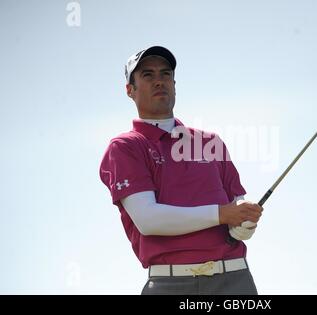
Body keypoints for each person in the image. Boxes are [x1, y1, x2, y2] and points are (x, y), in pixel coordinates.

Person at [99, 46, 263, 295]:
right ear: (129, 90)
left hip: (234, 279)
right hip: (170, 283)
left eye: (165, 74)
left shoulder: (210, 142)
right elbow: (148, 220)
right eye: (148, 75)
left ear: (174, 84)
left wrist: (244, 222)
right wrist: (224, 214)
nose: (159, 81)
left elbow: (236, 215)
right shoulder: (125, 147)